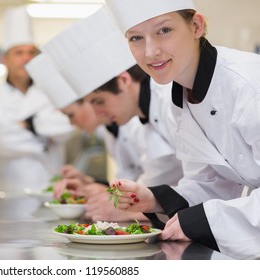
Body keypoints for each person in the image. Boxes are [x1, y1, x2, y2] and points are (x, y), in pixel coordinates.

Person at [105, 0, 260, 259]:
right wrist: (155, 198)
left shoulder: (249, 85)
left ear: (197, 26)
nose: (150, 52)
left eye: (164, 31)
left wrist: (206, 219)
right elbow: (211, 182)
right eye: (136, 38)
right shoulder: (181, 99)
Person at [41, 6, 184, 221]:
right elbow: (148, 183)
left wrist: (129, 209)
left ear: (124, 80)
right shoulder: (143, 116)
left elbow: (202, 188)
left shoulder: (171, 105)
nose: (97, 113)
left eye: (99, 102)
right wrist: (94, 188)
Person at [25, 53, 146, 222]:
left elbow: (161, 185)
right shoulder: (110, 130)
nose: (72, 124)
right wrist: (89, 182)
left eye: (71, 115)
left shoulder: (137, 122)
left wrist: (106, 193)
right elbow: (134, 180)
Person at [0, 6, 73, 198]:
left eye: (31, 52)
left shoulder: (52, 93)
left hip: (49, 192)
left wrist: (24, 126)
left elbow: (67, 128)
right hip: (6, 193)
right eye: (19, 53)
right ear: (5, 59)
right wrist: (44, 139)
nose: (26, 58)